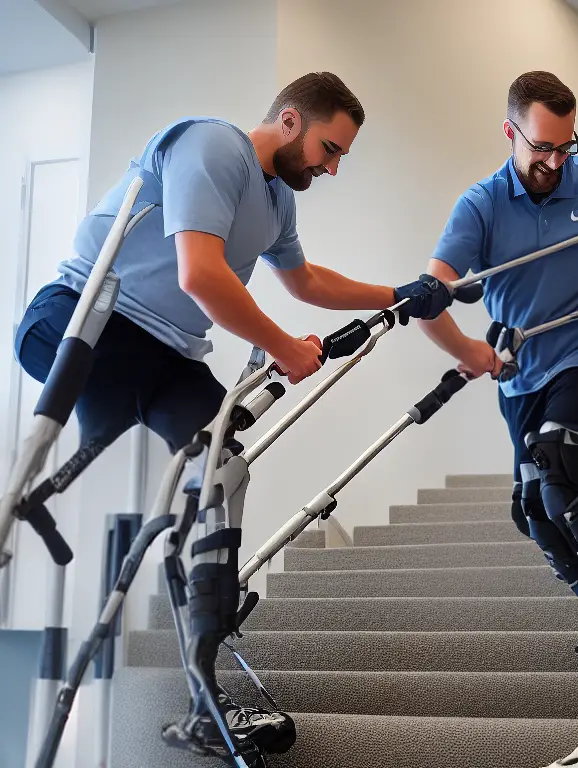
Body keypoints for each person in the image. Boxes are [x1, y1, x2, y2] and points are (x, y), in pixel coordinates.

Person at [12, 71, 454, 762]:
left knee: (227, 470)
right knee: (97, 477)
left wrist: (399, 293)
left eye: (341, 157)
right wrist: (281, 347)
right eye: (329, 148)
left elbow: (305, 282)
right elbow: (199, 273)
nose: (331, 167)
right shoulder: (214, 147)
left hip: (167, 354)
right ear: (289, 120)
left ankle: (200, 701)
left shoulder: (278, 202)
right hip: (84, 317)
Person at [418, 70, 578, 671]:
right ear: (510, 133)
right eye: (542, 147)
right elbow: (430, 299)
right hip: (520, 372)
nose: (556, 161)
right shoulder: (480, 207)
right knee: (533, 509)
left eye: (567, 146)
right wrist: (469, 352)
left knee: (558, 455)